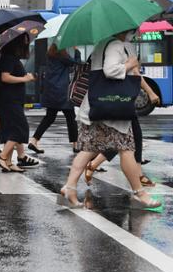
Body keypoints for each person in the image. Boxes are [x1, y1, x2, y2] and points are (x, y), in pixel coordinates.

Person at [58, 30, 161, 209]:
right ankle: (139, 193)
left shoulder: (103, 44)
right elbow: (111, 70)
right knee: (127, 148)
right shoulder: (115, 45)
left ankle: (70, 187)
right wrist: (129, 63)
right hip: (112, 110)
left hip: (98, 106)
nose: (134, 32)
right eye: (132, 29)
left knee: (89, 150)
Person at [83, 79, 160, 187]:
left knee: (134, 137)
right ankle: (93, 164)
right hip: (120, 97)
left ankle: (138, 175)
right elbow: (135, 74)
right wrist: (150, 92)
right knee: (124, 138)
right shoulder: (125, 62)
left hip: (117, 95)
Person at [0, 34, 40, 173]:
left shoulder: (11, 57)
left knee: (10, 131)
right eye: (25, 42)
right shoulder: (8, 57)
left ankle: (8, 162)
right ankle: (3, 157)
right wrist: (25, 79)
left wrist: (26, 78)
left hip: (12, 100)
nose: (26, 45)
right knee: (20, 129)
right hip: (10, 100)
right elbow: (5, 77)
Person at [28, 44, 80, 154]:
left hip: (51, 91)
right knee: (71, 117)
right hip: (62, 92)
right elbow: (76, 64)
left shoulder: (50, 56)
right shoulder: (63, 56)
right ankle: (75, 144)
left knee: (49, 117)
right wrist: (76, 50)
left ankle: (34, 140)